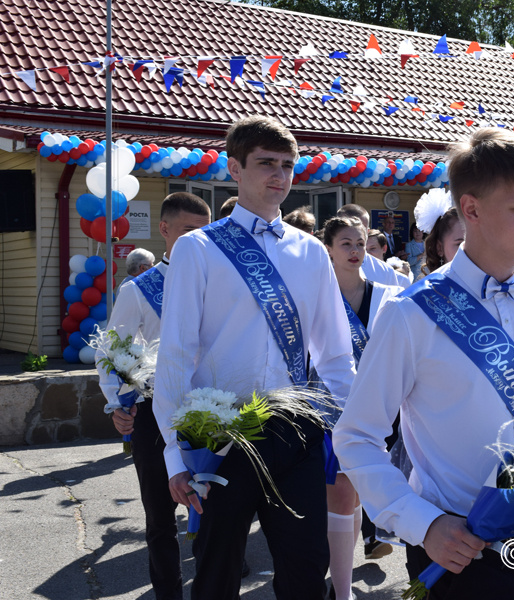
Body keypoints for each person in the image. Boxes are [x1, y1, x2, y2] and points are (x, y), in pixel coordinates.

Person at [333, 128, 514, 600]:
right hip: (456, 550)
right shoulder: (411, 314)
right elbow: (356, 437)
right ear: (471, 210)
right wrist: (423, 524)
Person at [153, 115, 356, 600]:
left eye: (287, 165)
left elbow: (334, 353)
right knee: (217, 572)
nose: (279, 176)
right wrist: (172, 452)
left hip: (295, 430)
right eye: (266, 163)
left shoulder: (311, 252)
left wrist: (347, 432)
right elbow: (176, 352)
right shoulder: (198, 249)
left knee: (306, 568)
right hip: (222, 435)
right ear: (235, 168)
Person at [98, 192, 211, 600]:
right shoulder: (140, 290)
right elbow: (112, 351)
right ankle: (168, 593)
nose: (200, 240)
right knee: (160, 516)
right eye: (188, 231)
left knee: (214, 510)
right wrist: (117, 401)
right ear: (164, 230)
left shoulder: (218, 282)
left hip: (210, 410)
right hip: (152, 409)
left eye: (206, 231)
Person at [320, 216, 403, 600]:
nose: (355, 251)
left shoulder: (387, 297)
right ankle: (341, 589)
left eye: (360, 243)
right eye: (345, 244)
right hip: (326, 409)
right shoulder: (318, 297)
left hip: (372, 410)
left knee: (353, 494)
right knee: (340, 491)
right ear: (329, 250)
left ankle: (341, 576)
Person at [337, 204, 410, 289]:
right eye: (346, 229)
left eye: (360, 229)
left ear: (367, 232)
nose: (354, 234)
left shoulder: (386, 272)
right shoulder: (324, 266)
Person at [413, 188, 464, 279]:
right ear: (439, 248)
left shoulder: (491, 287)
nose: (470, 251)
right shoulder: (428, 290)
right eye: (459, 244)